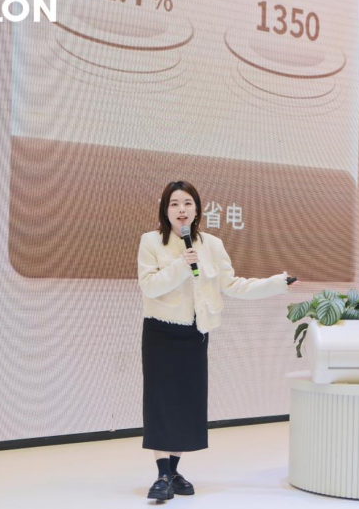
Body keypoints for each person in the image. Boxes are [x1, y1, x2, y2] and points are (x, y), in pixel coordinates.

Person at [137, 180, 298, 500]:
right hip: (160, 332)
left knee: (187, 402)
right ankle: (162, 474)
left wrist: (276, 284)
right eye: (174, 204)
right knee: (161, 402)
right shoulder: (151, 241)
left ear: (197, 209)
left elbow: (233, 285)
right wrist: (181, 265)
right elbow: (150, 286)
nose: (181, 209)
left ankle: (174, 471)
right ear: (165, 210)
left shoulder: (212, 244)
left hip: (195, 333)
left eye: (187, 203)